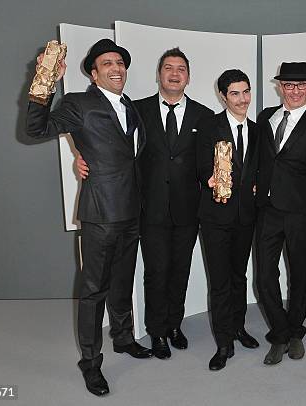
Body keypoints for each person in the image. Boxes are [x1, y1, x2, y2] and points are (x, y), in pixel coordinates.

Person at [26, 39, 152, 397]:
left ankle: (124, 338)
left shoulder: (130, 106)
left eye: (120, 62)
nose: (116, 67)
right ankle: (91, 363)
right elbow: (36, 130)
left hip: (131, 212)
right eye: (107, 63)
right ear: (94, 73)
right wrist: (45, 83)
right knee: (94, 291)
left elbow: (130, 155)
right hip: (99, 214)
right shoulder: (77, 103)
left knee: (124, 282)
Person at [78, 48, 213, 360]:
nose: (175, 73)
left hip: (187, 210)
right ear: (159, 74)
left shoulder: (204, 116)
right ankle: (157, 331)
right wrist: (80, 157)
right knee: (156, 272)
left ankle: (174, 325)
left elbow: (212, 161)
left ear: (188, 77)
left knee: (180, 271)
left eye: (181, 68)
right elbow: (104, 142)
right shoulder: (135, 110)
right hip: (146, 209)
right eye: (168, 67)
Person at [255, 62, 306, 365]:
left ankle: (295, 332)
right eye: (289, 85)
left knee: (299, 276)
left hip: (302, 211)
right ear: (280, 87)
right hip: (267, 210)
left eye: (301, 85)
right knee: (264, 277)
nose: (295, 90)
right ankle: (280, 331)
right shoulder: (265, 118)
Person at [196, 69, 260, 371]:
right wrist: (207, 179)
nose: (242, 98)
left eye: (246, 91)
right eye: (235, 93)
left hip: (246, 217)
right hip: (216, 216)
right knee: (220, 280)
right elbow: (197, 166)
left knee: (239, 276)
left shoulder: (258, 130)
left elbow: (261, 170)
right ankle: (223, 342)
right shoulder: (209, 126)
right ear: (223, 96)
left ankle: (238, 327)